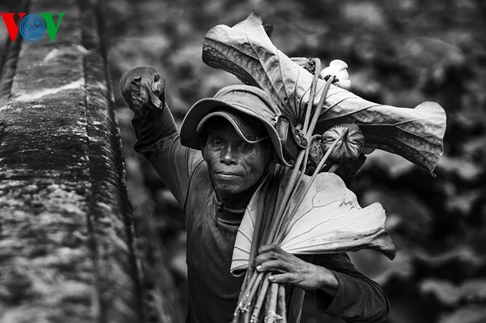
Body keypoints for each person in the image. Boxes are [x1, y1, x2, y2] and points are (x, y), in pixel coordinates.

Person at [120, 66, 390, 323]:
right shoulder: (198, 175)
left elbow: (376, 304)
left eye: (244, 145)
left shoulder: (295, 210)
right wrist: (140, 84)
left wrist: (318, 275)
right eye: (217, 142)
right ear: (203, 147)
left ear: (270, 154)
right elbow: (160, 138)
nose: (226, 157)